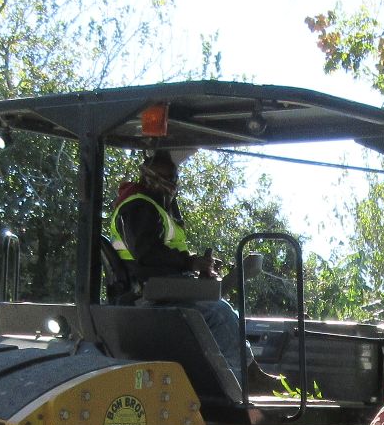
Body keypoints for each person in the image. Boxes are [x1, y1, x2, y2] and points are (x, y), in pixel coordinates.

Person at [108, 151, 279, 392]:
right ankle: (238, 385)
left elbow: (163, 253)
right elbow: (147, 254)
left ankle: (247, 373)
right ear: (149, 178)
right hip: (148, 294)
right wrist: (189, 264)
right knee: (217, 312)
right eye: (166, 177)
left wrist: (196, 265)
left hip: (164, 287)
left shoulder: (153, 206)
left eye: (173, 177)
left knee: (221, 307)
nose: (171, 184)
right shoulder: (138, 206)